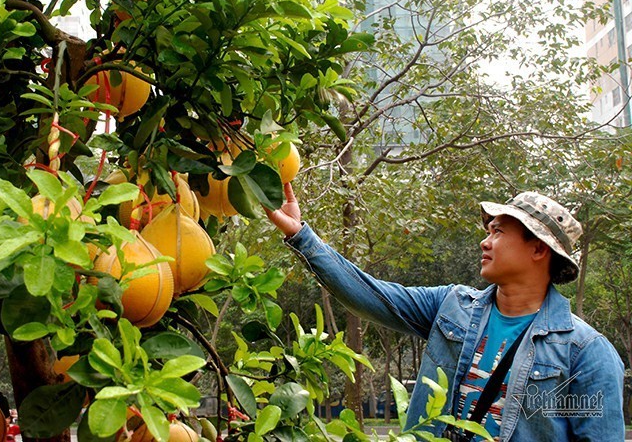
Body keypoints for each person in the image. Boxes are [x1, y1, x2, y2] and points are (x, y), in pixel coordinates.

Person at [266, 184, 625, 441]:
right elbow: (370, 295)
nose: (485, 241)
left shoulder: (587, 352)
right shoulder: (452, 307)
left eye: (498, 232)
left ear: (538, 250)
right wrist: (301, 234)